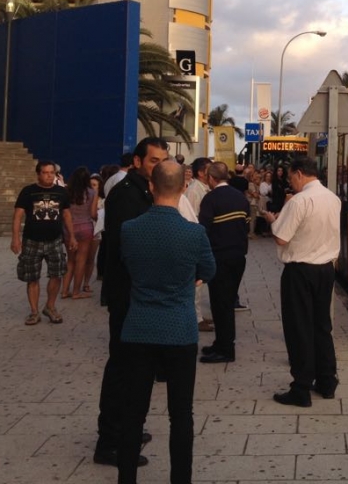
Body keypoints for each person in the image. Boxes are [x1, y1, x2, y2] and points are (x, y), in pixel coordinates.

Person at [117, 161, 215, 484]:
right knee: (181, 414)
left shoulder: (130, 230)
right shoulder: (194, 233)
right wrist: (191, 281)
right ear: (183, 188)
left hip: (138, 329)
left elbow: (125, 268)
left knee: (132, 411)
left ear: (151, 187)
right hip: (179, 330)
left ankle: (127, 478)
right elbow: (209, 270)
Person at [94, 136, 169, 468]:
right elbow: (130, 248)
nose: (159, 166)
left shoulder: (143, 192)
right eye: (153, 160)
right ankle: (109, 442)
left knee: (136, 367)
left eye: (162, 161)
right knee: (122, 369)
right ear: (137, 162)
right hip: (129, 296)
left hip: (137, 295)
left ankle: (127, 428)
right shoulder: (126, 194)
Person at [263, 156, 341, 407]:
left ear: (298, 173)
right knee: (321, 326)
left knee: (299, 329)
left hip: (300, 271)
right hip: (326, 269)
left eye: (290, 177)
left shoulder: (299, 201)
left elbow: (281, 239)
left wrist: (273, 221)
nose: (289, 182)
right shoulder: (333, 198)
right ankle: (327, 381)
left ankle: (301, 388)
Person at [11, 160, 76, 326]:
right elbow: (18, 215)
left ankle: (50, 306)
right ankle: (34, 311)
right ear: (38, 174)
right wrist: (15, 238)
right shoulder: (28, 192)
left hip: (55, 240)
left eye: (52, 173)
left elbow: (67, 215)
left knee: (57, 274)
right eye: (45, 173)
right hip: (32, 240)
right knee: (32, 277)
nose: (49, 176)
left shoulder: (61, 192)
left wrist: (72, 236)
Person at [198, 162, 250, 364]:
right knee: (226, 302)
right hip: (238, 257)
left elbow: (204, 230)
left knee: (220, 304)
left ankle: (226, 350)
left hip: (219, 258)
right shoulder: (240, 197)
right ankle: (221, 343)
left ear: (211, 178)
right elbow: (245, 226)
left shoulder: (210, 199)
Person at [184, 157, 213, 332]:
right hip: (196, 240)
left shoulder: (204, 189)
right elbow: (193, 217)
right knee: (197, 283)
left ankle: (199, 314)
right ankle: (195, 317)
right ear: (202, 172)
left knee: (201, 284)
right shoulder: (195, 191)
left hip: (202, 239)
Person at [61, 166, 98, 299]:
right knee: (81, 260)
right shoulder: (92, 193)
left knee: (70, 260)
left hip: (69, 228)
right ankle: (76, 291)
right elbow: (93, 213)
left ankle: (64, 290)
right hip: (86, 227)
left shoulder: (66, 192)